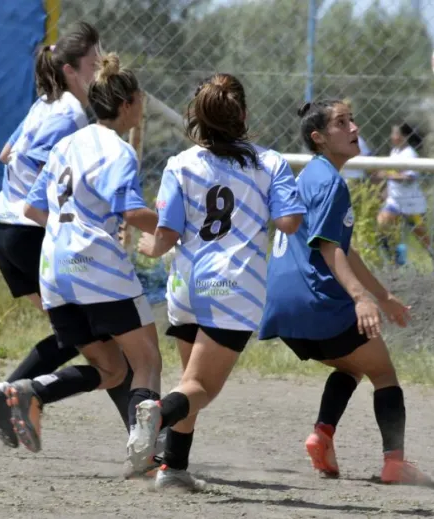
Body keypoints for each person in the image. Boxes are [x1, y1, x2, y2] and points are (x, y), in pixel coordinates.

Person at [131, 73, 306, 492]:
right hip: (234, 288)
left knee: (191, 379)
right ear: (243, 115)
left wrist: (151, 249)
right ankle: (157, 413)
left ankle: (173, 468)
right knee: (202, 388)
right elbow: (288, 221)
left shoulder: (180, 164)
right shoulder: (270, 163)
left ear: (198, 117)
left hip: (187, 286)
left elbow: (167, 234)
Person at [0, 22, 137, 450]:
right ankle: (148, 443)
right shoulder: (70, 113)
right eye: (92, 64)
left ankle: (10, 392)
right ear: (70, 70)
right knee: (106, 349)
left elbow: (5, 154)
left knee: (84, 338)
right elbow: (31, 159)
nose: (99, 70)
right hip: (32, 232)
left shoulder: (45, 105)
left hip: (7, 232)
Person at [258, 98, 431, 485]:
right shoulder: (332, 183)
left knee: (351, 366)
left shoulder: (309, 176)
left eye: (352, 120)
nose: (354, 129)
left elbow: (343, 246)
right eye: (341, 123)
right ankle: (395, 464)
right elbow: (328, 247)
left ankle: (322, 436)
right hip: (318, 303)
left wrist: (382, 295)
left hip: (283, 308)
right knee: (384, 374)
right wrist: (360, 297)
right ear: (318, 138)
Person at [376, 122, 434, 272]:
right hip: (395, 202)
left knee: (422, 236)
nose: (393, 137)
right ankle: (395, 263)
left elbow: (409, 178)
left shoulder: (410, 154)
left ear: (405, 137)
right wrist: (384, 193)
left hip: (412, 205)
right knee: (383, 227)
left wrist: (388, 174)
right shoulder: (394, 152)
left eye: (396, 134)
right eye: (392, 134)